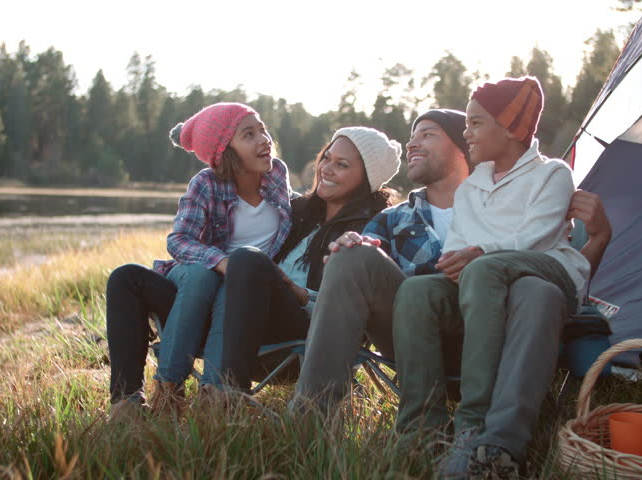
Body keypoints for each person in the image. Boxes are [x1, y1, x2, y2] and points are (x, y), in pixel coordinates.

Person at [394, 76, 594, 479]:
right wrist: (456, 259)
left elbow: (535, 236)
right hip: (482, 280)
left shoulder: (552, 173)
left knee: (487, 268)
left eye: (476, 123)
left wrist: (478, 253)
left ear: (511, 127)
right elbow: (460, 241)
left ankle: (473, 424)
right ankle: (422, 430)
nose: (466, 133)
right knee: (417, 291)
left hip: (546, 267)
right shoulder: (472, 187)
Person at [105, 102, 292, 417]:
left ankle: (211, 397)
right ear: (225, 151)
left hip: (243, 297)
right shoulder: (206, 183)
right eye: (249, 134)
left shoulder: (277, 175)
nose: (264, 139)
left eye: (262, 128)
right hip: (192, 288)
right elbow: (178, 240)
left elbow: (296, 212)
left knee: (227, 287)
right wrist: (220, 261)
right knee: (130, 277)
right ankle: (130, 404)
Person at [218, 127, 402, 393]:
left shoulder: (371, 231)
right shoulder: (295, 211)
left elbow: (356, 310)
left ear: (367, 179)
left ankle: (229, 391)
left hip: (307, 336)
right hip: (248, 316)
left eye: (342, 165)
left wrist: (301, 294)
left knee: (247, 259)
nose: (326, 169)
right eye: (327, 157)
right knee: (137, 277)